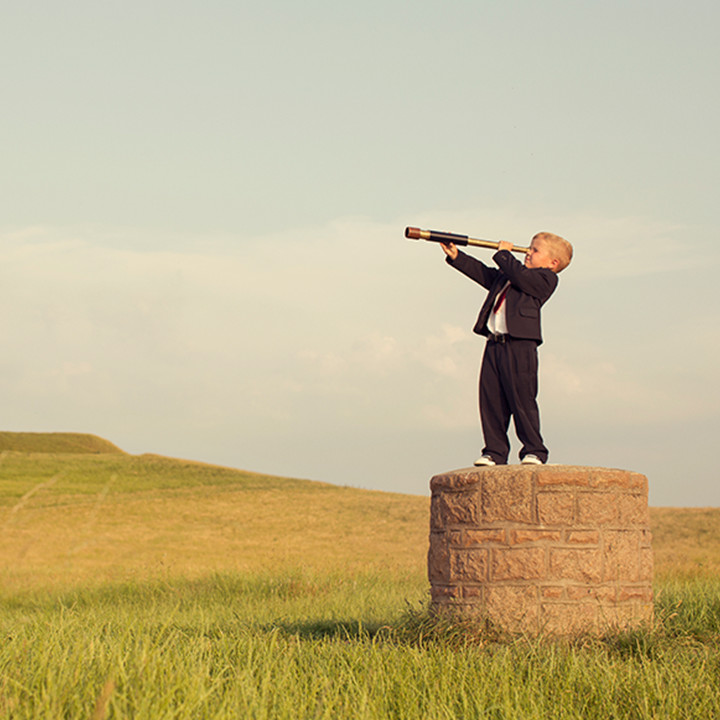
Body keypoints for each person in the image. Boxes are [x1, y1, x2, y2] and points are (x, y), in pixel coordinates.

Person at [441, 232, 573, 466]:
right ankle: (494, 451)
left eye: (535, 251)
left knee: (522, 398)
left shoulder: (544, 280)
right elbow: (485, 275)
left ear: (553, 263)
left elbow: (521, 277)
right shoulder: (510, 275)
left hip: (520, 345)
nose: (528, 253)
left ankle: (534, 450)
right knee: (491, 399)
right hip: (494, 343)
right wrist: (457, 256)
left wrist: (504, 254)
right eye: (529, 248)